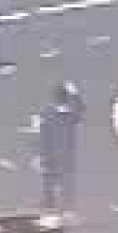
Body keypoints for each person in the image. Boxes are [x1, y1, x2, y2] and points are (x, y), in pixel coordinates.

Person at [37, 82, 83, 213]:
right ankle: (65, 208)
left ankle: (50, 207)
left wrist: (40, 154)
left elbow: (43, 135)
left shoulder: (47, 113)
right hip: (67, 152)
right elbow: (81, 109)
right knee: (65, 181)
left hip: (50, 152)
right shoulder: (71, 114)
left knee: (49, 181)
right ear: (67, 98)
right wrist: (75, 94)